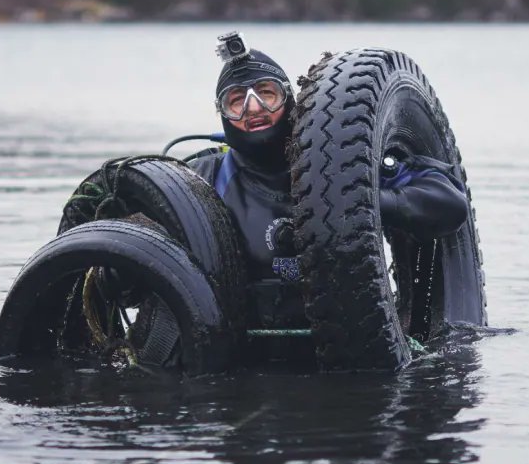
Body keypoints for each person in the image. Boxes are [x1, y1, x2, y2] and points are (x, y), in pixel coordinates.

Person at [186, 32, 469, 331]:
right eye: (236, 102)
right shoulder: (204, 177)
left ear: (290, 100)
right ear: (223, 115)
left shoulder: (345, 165)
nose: (253, 108)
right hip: (243, 354)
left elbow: (450, 205)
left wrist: (366, 202)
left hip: (353, 347)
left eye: (266, 94)